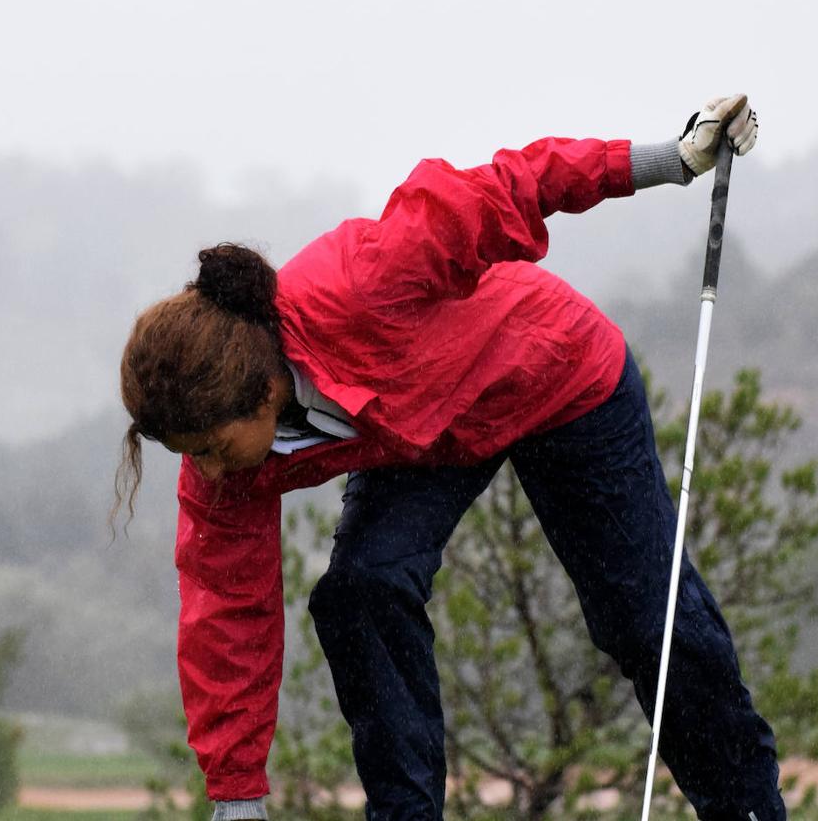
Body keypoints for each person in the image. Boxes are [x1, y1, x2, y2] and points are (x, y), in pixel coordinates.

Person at [116, 95, 783, 821]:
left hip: (553, 373)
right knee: (361, 590)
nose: (209, 473)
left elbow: (513, 183)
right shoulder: (223, 467)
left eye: (213, 449)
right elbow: (226, 619)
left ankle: (747, 808)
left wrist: (670, 159)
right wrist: (236, 794)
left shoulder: (359, 280)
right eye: (193, 457)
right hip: (425, 434)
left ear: (266, 386)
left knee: (644, 623)